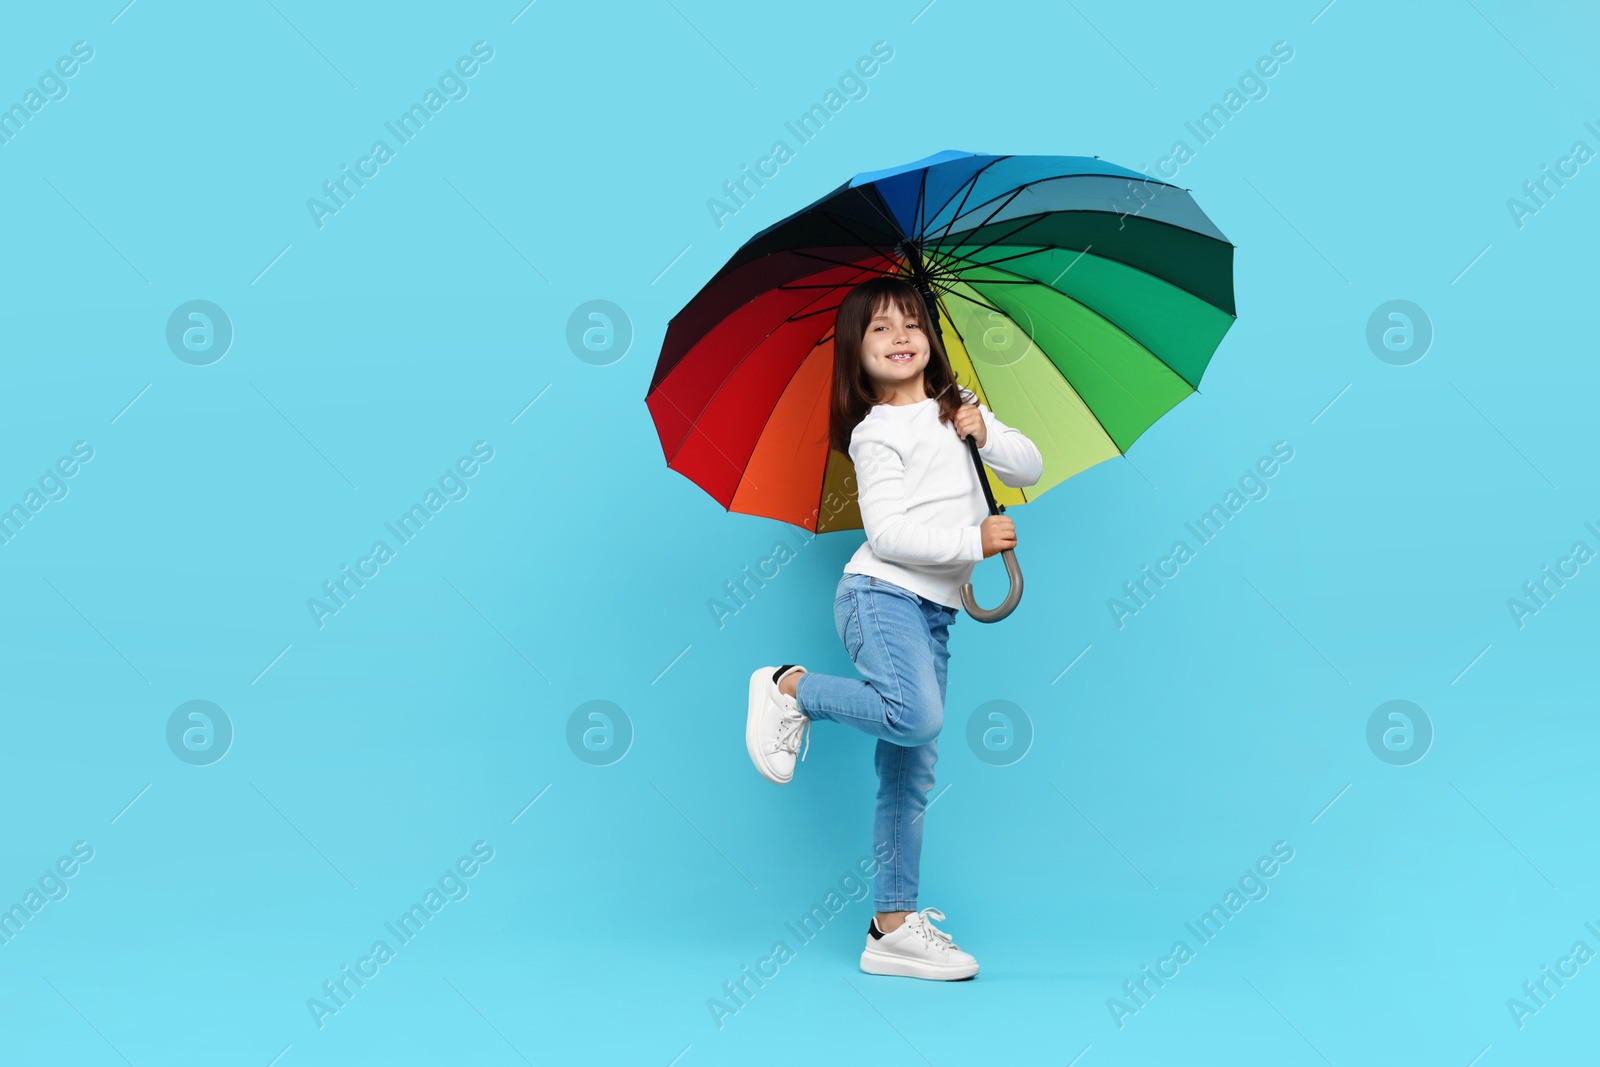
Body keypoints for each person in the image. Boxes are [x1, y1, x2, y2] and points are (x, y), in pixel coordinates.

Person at [744, 275, 1044, 981]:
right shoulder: (876, 432)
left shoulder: (959, 410)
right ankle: (792, 689)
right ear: (857, 353)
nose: (901, 336)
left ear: (931, 338)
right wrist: (973, 541)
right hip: (880, 594)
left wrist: (986, 429)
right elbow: (889, 531)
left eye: (911, 322)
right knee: (913, 715)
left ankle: (893, 925)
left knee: (912, 770)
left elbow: (1027, 464)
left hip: (933, 610)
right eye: (880, 328)